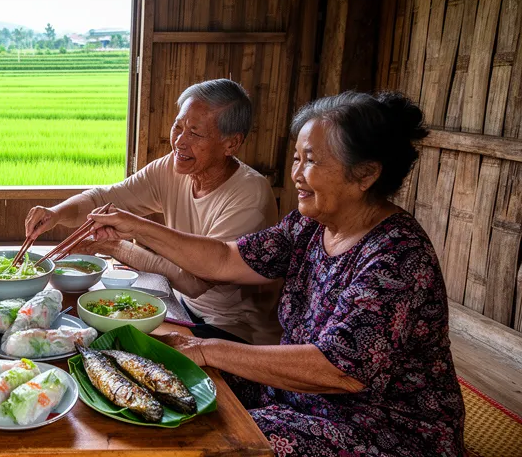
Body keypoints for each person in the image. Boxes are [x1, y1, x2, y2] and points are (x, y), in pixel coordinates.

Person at [86, 91, 465, 456]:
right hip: (297, 394)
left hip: (379, 426)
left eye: (311, 161)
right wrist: (137, 227)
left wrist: (208, 349)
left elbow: (339, 371)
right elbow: (223, 260)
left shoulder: (397, 256)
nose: (297, 173)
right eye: (296, 158)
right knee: (156, 379)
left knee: (224, 438)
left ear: (365, 174)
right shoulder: (309, 226)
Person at [25, 79, 280, 344]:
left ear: (231, 144)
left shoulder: (250, 196)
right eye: (178, 127)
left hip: (232, 332)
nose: (180, 142)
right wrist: (55, 213)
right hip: (183, 309)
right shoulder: (172, 167)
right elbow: (107, 198)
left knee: (106, 340)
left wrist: (117, 247)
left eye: (195, 133)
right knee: (83, 325)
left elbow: (195, 282)